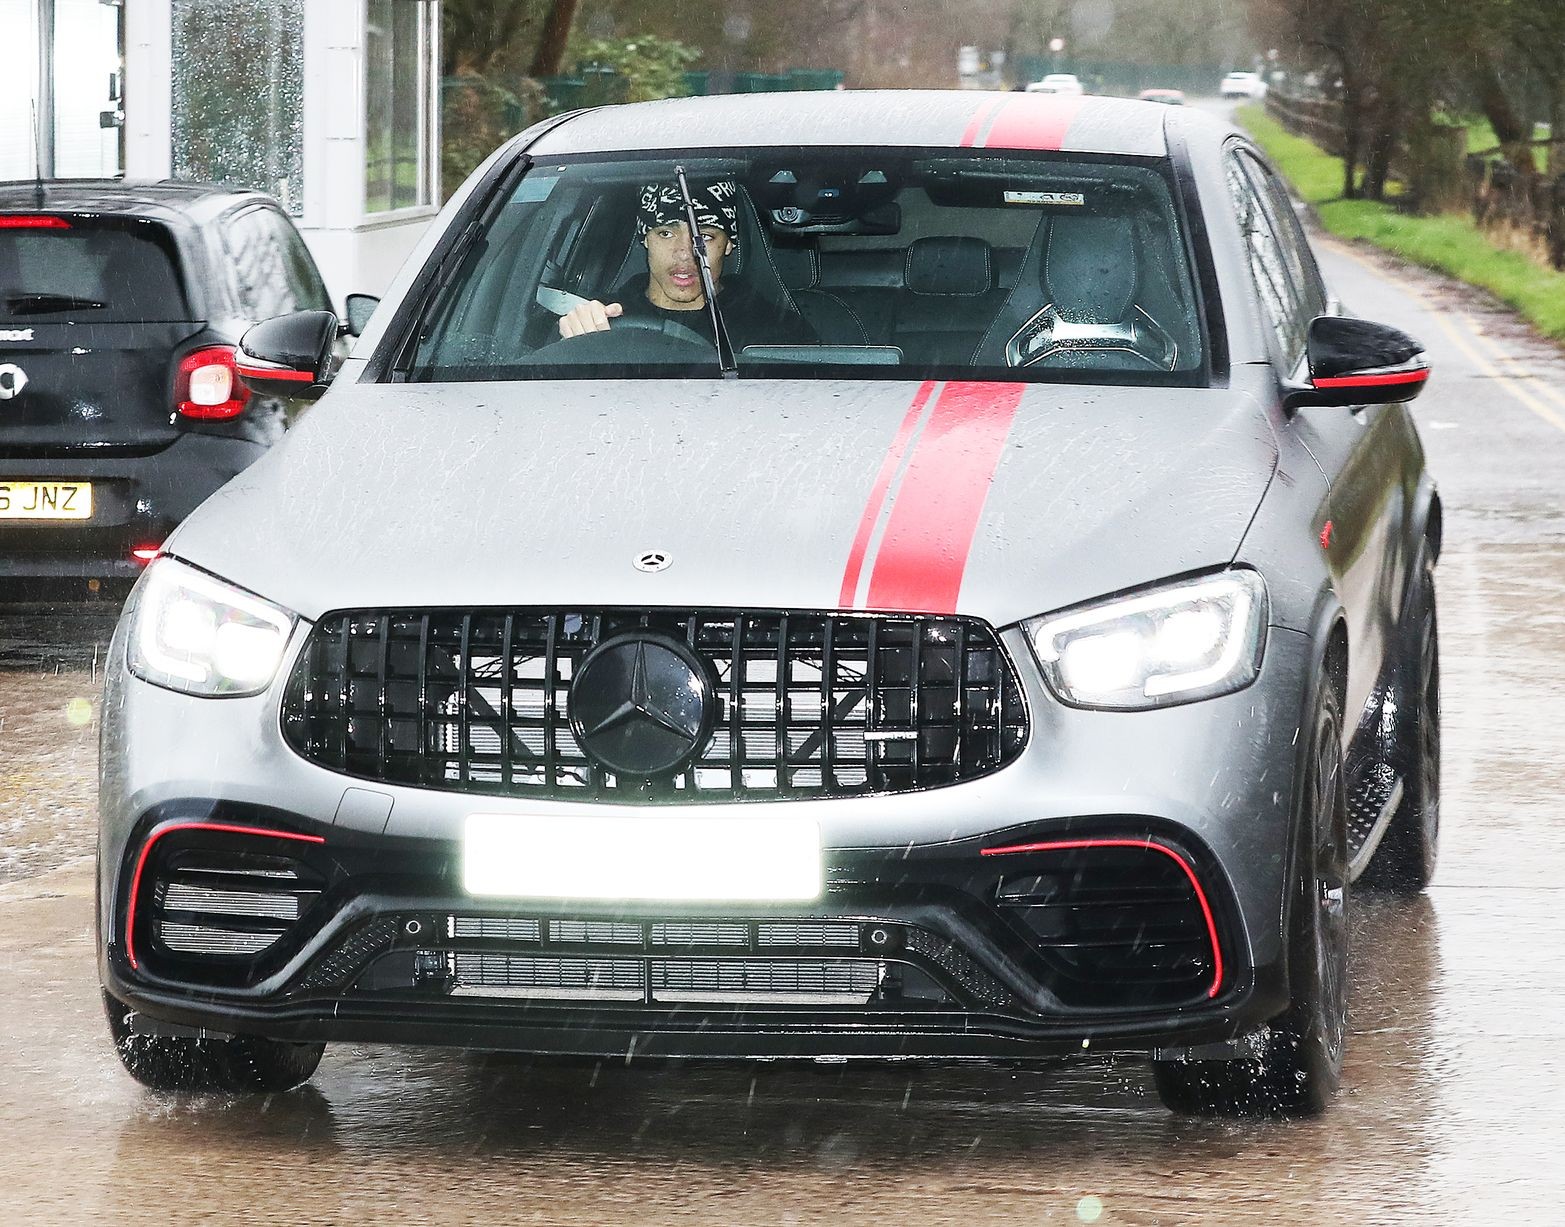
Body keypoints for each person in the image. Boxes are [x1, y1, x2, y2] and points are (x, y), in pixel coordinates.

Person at [557, 179, 817, 347]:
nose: (685, 253)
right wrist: (573, 338)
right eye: (666, 233)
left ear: (728, 244)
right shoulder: (601, 319)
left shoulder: (776, 330)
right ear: (645, 238)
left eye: (704, 236)